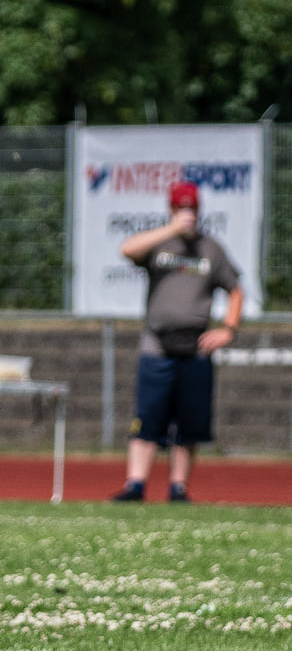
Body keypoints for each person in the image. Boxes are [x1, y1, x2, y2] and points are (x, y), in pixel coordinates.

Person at [111, 180, 243, 503]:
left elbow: (235, 289)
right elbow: (127, 249)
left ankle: (178, 487)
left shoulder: (211, 248)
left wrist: (228, 329)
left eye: (192, 208)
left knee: (190, 421)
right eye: (181, 208)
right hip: (157, 344)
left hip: (196, 346)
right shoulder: (159, 244)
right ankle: (136, 485)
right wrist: (169, 229)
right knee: (148, 416)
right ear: (171, 209)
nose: (188, 214)